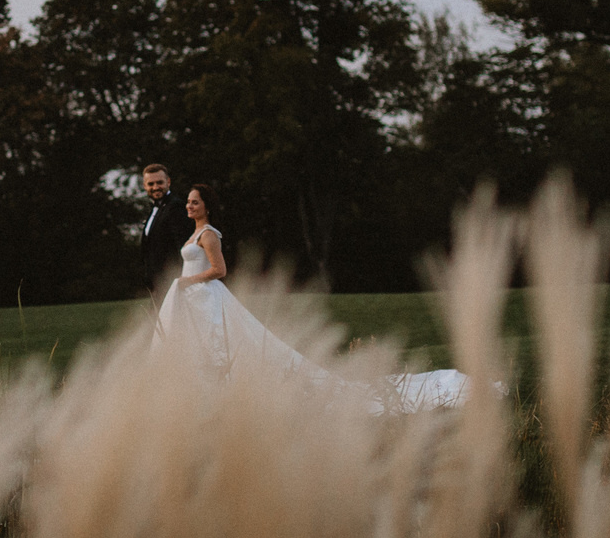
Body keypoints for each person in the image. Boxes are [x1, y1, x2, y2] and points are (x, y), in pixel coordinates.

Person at [155, 185, 469, 413]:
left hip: (205, 295)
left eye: (195, 202)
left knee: (220, 340)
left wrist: (186, 281)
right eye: (189, 202)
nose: (189, 206)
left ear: (207, 206)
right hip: (193, 298)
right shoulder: (194, 233)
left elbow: (219, 270)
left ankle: (225, 391)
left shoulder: (209, 234)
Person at [137, 162, 195, 293]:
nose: (156, 187)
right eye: (151, 184)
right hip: (157, 282)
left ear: (168, 182)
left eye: (159, 182)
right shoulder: (154, 210)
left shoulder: (176, 207)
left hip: (172, 279)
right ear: (144, 186)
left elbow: (184, 244)